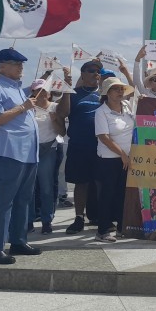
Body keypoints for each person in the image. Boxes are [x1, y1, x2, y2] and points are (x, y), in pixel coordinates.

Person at [0, 49, 42, 264]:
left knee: (24, 200)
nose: (20, 67)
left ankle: (18, 240)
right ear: (1, 66)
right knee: (4, 201)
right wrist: (22, 107)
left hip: (28, 152)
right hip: (9, 151)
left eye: (21, 64)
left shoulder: (17, 89)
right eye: (15, 63)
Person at [57, 59, 103, 235]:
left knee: (101, 183)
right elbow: (62, 113)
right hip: (79, 145)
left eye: (98, 71)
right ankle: (79, 218)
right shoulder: (74, 93)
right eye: (91, 71)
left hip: (102, 146)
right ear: (82, 75)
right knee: (81, 183)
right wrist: (66, 91)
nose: (95, 74)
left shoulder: (106, 94)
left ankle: (101, 216)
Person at [94, 77, 135, 242]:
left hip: (126, 159)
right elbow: (104, 137)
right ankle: (102, 230)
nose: (120, 92)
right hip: (109, 159)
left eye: (121, 89)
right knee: (107, 194)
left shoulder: (128, 107)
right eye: (115, 89)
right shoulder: (101, 112)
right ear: (107, 93)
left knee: (122, 195)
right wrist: (123, 155)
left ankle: (121, 227)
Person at [30, 79, 65, 234]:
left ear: (49, 93)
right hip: (30, 149)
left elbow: (62, 132)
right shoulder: (28, 108)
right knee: (29, 187)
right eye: (37, 91)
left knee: (46, 187)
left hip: (49, 148)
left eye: (43, 91)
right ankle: (28, 220)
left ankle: (46, 220)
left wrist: (55, 120)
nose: (40, 94)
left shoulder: (55, 107)